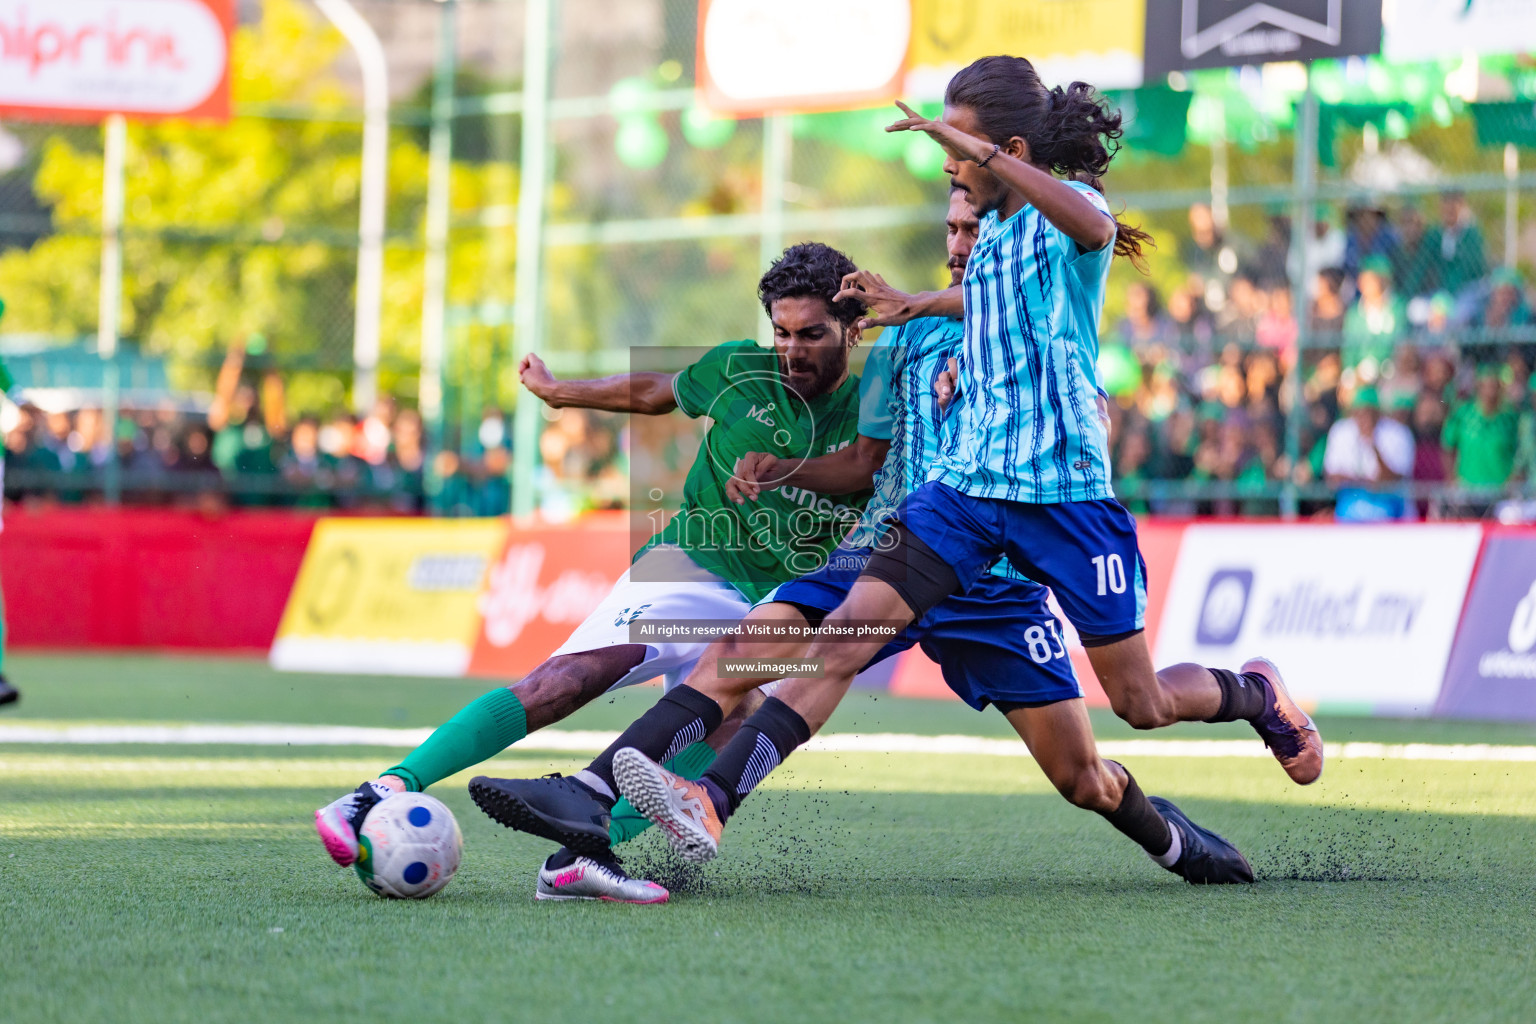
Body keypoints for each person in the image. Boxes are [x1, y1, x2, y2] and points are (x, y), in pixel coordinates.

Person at [517, 59, 1316, 884]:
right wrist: (912, 304)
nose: (951, 186)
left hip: (1063, 508)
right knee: (836, 641)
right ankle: (707, 801)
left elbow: (1093, 229)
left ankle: (1252, 696)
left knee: (1135, 711)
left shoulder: (1064, 222)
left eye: (958, 156)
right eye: (952, 209)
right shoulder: (989, 244)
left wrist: (993, 166)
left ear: (1005, 150)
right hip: (963, 500)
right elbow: (974, 307)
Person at [312, 242, 871, 902]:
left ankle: (577, 856)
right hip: (692, 566)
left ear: (854, 326)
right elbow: (653, 391)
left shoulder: (880, 407)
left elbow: (868, 469)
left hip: (778, 603)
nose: (792, 351)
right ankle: (380, 791)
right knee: (579, 674)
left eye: (811, 334)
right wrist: (559, 392)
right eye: (781, 332)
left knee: (727, 729)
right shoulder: (736, 371)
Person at [1323, 386, 1414, 521]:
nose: (1364, 417)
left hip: (1388, 504)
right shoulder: (1341, 431)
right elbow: (1332, 477)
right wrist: (1364, 483)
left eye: (1369, 412)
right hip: (1350, 501)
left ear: (1379, 412)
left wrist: (1372, 444)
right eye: (1360, 412)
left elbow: (1391, 480)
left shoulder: (1398, 433)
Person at [1442, 366, 1518, 506]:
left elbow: (1518, 452)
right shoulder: (1463, 413)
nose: (1490, 391)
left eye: (1494, 386)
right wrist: (1452, 478)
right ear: (1478, 387)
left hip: (1500, 490)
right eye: (1486, 385)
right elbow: (1448, 446)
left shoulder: (1509, 419)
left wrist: (1511, 481)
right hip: (1468, 488)